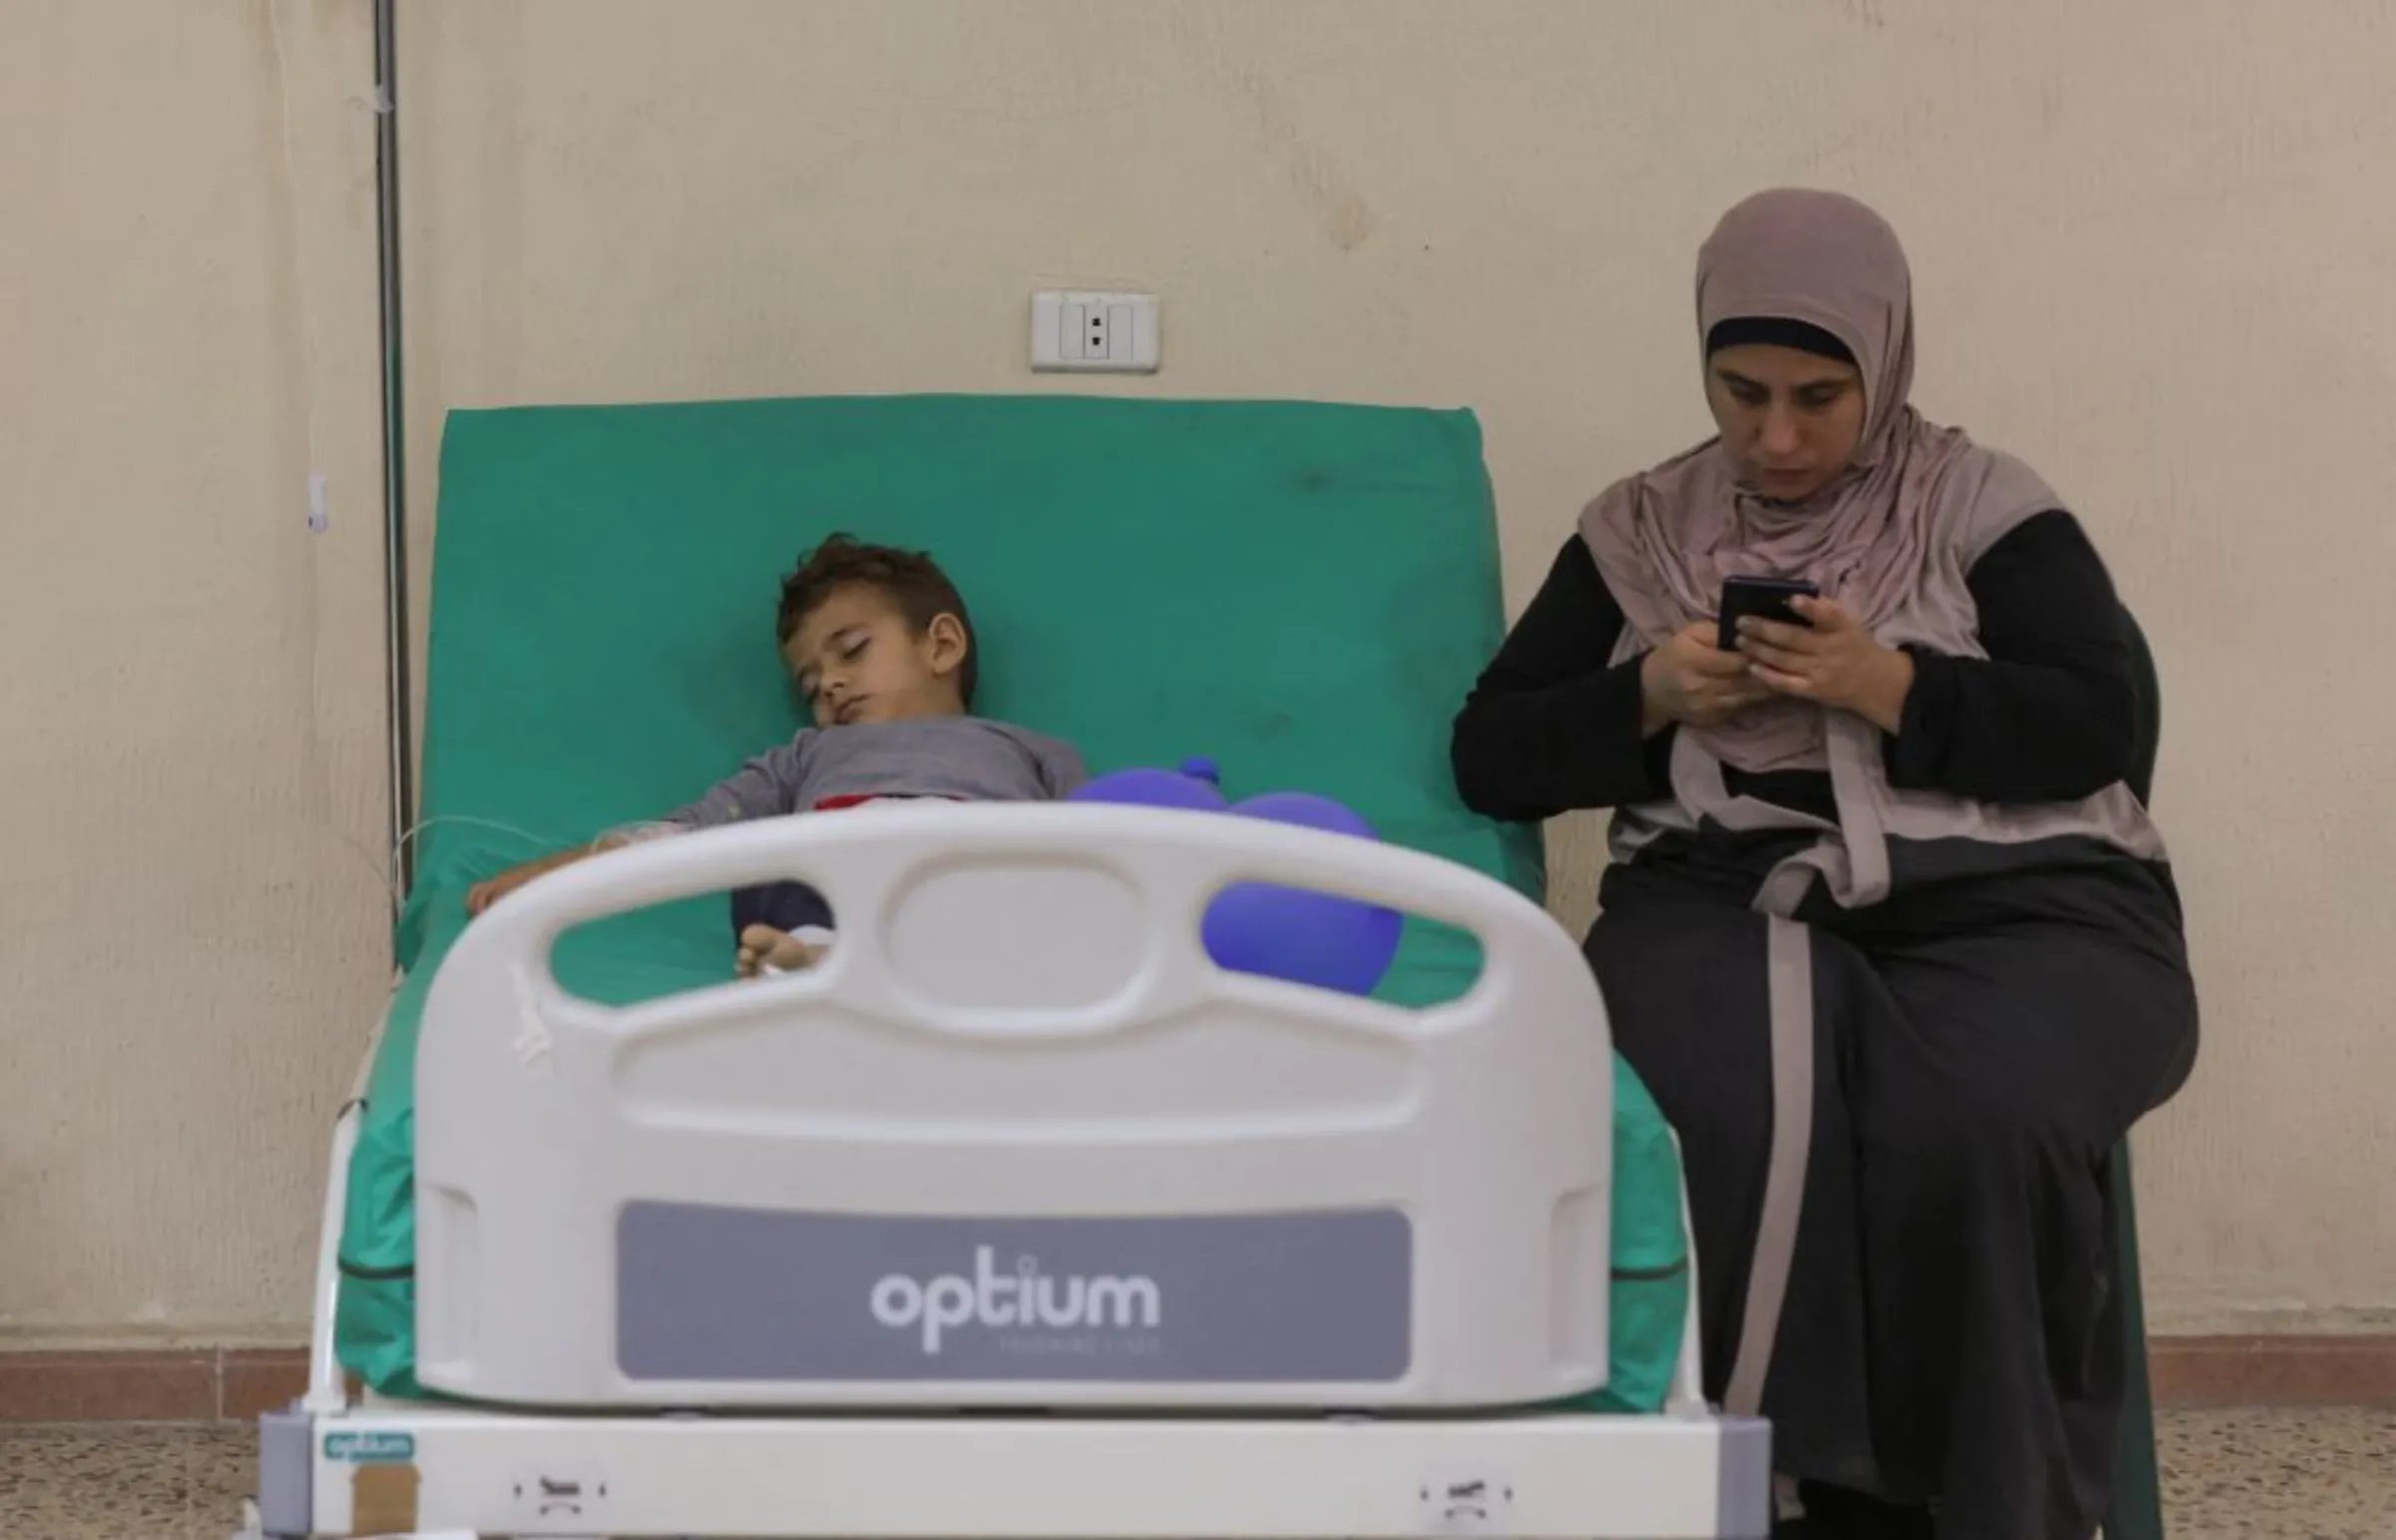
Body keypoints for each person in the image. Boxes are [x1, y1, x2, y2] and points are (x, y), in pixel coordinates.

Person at [1450, 190, 2197, 1540]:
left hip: (2026, 893)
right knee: (1719, 1104)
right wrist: (1653, 700)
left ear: (1886, 362)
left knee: (1976, 1119)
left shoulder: (1979, 504)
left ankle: (1974, 1500)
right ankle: (1752, 1487)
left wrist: (1890, 682)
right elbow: (1490, 753)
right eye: (1740, 393)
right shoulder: (1641, 528)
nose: (1776, 437)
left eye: (1817, 396)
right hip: (1721, 883)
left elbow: (2100, 719)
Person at [467, 533, 1087, 973]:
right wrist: (546, 876)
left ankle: (935, 964)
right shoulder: (809, 754)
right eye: (811, 686)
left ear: (943, 645)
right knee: (763, 874)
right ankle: (818, 961)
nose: (832, 685)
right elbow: (689, 832)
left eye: (852, 650)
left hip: (978, 871)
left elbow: (1108, 844)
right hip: (845, 871)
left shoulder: (1027, 751)